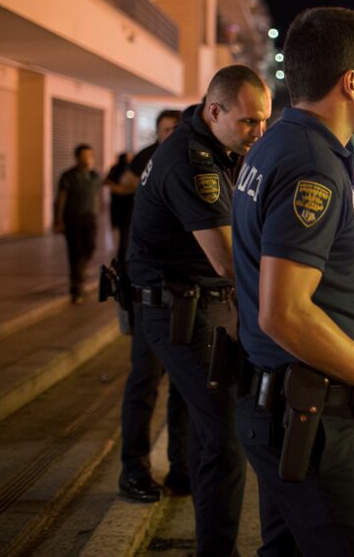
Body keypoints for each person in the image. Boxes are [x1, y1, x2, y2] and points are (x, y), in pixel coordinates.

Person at [232, 7, 354, 557]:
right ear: (350, 80)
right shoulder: (313, 164)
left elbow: (324, 261)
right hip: (306, 415)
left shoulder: (278, 143)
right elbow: (284, 310)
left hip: (280, 404)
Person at [128, 65, 271, 555]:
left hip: (195, 304)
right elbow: (229, 260)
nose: (259, 133)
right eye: (249, 122)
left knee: (204, 424)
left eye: (264, 121)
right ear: (215, 111)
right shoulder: (194, 162)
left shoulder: (213, 146)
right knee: (226, 438)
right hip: (182, 309)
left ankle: (190, 486)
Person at [112, 109, 188, 504]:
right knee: (144, 382)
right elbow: (121, 188)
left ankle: (181, 467)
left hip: (178, 295)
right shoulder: (148, 159)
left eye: (177, 129)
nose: (172, 135)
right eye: (166, 130)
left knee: (181, 388)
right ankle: (133, 469)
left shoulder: (187, 161)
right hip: (147, 288)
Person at [55, 144, 102, 304]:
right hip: (73, 218)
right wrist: (59, 220)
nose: (88, 158)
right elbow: (61, 199)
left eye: (90, 155)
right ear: (77, 158)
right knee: (75, 252)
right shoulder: (68, 176)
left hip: (90, 218)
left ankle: (80, 275)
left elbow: (97, 196)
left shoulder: (95, 176)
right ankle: (76, 287)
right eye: (85, 155)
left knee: (90, 248)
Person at [106, 152, 134, 263]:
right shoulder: (120, 169)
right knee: (124, 233)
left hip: (126, 205)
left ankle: (123, 257)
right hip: (120, 205)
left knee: (124, 233)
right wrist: (118, 188)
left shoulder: (130, 169)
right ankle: (122, 259)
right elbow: (107, 181)